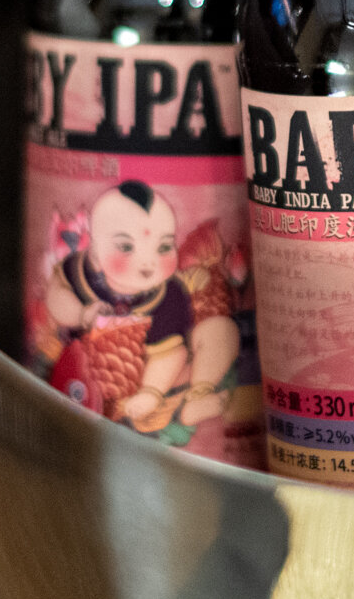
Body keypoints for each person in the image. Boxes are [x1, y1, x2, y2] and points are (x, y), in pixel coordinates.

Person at [45, 180, 237, 432]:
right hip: (88, 374)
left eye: (164, 247)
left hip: (160, 376)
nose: (148, 262)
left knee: (221, 332)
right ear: (95, 252)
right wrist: (81, 314)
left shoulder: (169, 294)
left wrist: (152, 390)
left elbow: (171, 353)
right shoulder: (81, 272)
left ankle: (199, 395)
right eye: (126, 247)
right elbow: (56, 295)